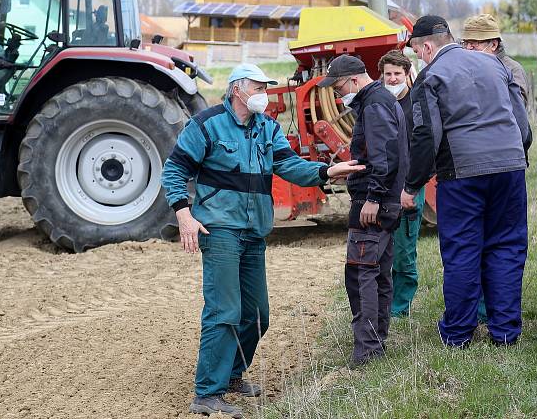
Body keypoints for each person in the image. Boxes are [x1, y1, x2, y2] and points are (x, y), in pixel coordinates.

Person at [161, 63, 363, 418]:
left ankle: (233, 374)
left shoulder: (267, 128)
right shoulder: (206, 125)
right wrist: (183, 214)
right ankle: (207, 393)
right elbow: (174, 170)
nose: (263, 94)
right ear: (238, 90)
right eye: (258, 87)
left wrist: (326, 171)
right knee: (224, 311)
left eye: (265, 88)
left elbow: (289, 166)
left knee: (257, 314)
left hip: (254, 230)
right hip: (219, 229)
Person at [402, 15, 532, 346]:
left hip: (462, 174)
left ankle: (459, 333)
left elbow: (425, 136)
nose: (419, 57)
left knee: (463, 251)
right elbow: (522, 124)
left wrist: (412, 185)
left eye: (417, 51)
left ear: (427, 46)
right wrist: (513, 155)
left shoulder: (430, 77)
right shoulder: (497, 66)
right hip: (510, 168)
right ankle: (504, 332)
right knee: (506, 246)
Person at [317, 54, 408, 365]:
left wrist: (374, 197)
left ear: (355, 79)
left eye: (339, 87)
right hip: (384, 198)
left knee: (360, 274)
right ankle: (377, 343)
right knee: (379, 272)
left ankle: (366, 351)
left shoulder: (374, 104)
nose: (338, 94)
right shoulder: (379, 101)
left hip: (373, 202)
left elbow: (385, 155)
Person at [459, 13, 530, 327]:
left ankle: (494, 313)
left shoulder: (510, 70)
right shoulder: (463, 68)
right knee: (478, 242)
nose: (470, 48)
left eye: (476, 43)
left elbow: (520, 125)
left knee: (499, 243)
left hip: (502, 166)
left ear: (494, 43)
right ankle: (476, 312)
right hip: (475, 165)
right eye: (467, 43)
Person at [377, 49, 425, 318]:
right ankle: (384, 299)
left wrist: (412, 186)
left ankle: (400, 307)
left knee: (404, 251)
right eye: (388, 74)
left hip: (408, 187)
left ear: (408, 75)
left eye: (397, 74)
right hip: (384, 186)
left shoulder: (416, 105)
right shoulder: (380, 104)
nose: (392, 79)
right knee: (384, 250)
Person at [461, 13, 529, 107]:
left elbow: (518, 108)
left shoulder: (513, 70)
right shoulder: (465, 68)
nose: (468, 48)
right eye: (465, 43)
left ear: (493, 45)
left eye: (474, 42)